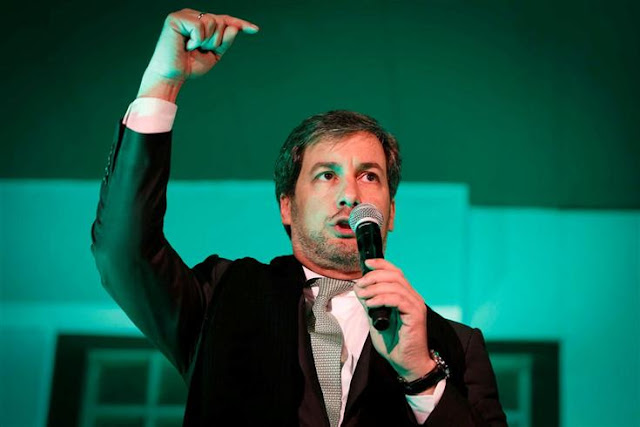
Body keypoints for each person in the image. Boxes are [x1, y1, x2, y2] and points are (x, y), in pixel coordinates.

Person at [91, 8, 507, 427]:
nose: (350, 195)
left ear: (391, 212)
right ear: (286, 206)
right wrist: (163, 83)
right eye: (327, 175)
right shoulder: (220, 296)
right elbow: (125, 252)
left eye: (369, 176)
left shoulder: (456, 345)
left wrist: (421, 375)